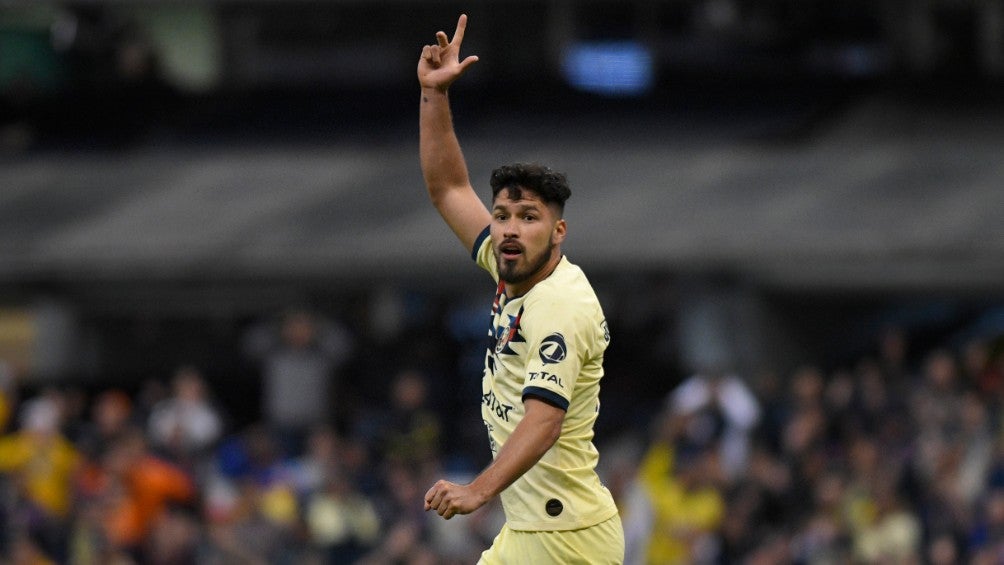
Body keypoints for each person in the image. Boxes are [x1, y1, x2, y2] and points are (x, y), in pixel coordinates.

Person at [418, 14, 624, 563]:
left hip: (564, 540)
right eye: (503, 214)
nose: (508, 228)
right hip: (531, 530)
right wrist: (434, 95)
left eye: (528, 217)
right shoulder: (514, 268)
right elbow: (448, 187)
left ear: (558, 232)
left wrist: (477, 491)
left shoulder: (560, 304)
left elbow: (545, 420)